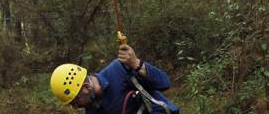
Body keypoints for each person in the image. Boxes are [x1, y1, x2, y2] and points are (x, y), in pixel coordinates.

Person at [50, 44, 179, 113]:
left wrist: (136, 63)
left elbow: (165, 83)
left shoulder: (119, 69)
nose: (75, 107)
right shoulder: (91, 111)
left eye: (75, 102)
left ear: (85, 88)